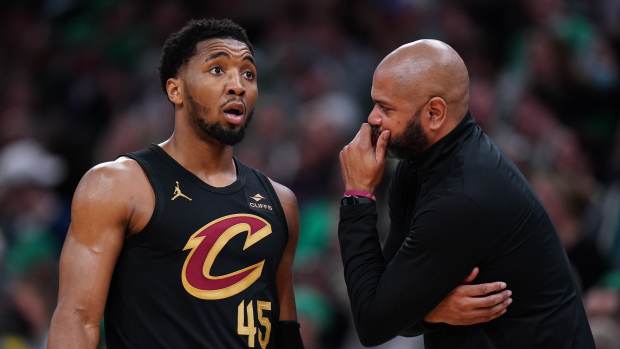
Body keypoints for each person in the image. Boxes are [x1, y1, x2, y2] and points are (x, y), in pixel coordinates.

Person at [47, 18, 303, 348]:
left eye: (248, 74)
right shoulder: (118, 184)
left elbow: (285, 333)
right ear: (175, 89)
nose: (237, 85)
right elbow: (77, 319)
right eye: (217, 70)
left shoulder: (280, 202)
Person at [338, 39, 595, 348]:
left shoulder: (461, 197)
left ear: (434, 113)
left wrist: (358, 195)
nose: (372, 118)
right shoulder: (419, 166)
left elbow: (373, 323)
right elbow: (386, 300)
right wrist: (429, 313)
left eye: (385, 107)